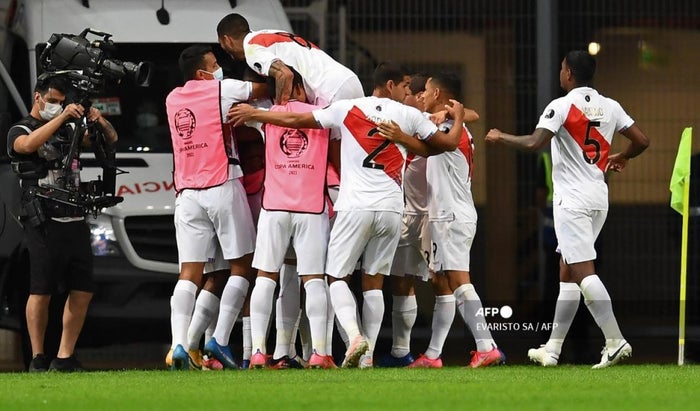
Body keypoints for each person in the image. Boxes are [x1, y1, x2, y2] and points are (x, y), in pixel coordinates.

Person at [228, 61, 467, 368]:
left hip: (352, 206)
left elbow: (296, 118)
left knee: (335, 277)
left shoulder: (347, 109)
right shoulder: (408, 116)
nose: (408, 92)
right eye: (405, 86)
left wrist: (257, 114)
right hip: (391, 208)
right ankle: (366, 358)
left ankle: (351, 338)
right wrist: (457, 116)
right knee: (374, 283)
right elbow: (446, 144)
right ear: (390, 85)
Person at [485, 50, 650, 368]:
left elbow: (534, 143)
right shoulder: (610, 106)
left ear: (569, 74)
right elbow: (642, 140)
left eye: (562, 68)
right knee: (567, 271)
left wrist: (500, 136)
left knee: (583, 271)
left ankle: (614, 340)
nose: (560, 73)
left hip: (571, 202)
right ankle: (553, 349)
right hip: (598, 199)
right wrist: (623, 155)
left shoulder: (560, 106)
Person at [382, 73, 504, 368]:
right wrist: (452, 114)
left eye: (425, 90)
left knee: (460, 282)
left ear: (436, 94)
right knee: (446, 280)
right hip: (450, 213)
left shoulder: (447, 131)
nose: (422, 95)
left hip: (450, 215)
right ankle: (433, 355)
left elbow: (428, 147)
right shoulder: (453, 126)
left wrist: (402, 137)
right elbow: (466, 116)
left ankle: (486, 346)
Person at [6, 75, 118, 372]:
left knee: (83, 288)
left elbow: (110, 140)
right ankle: (38, 356)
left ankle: (65, 355)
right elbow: (27, 145)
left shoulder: (69, 128)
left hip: (75, 217)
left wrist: (98, 120)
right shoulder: (21, 128)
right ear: (37, 97)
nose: (56, 106)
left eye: (61, 102)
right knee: (41, 289)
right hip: (43, 219)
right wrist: (63, 116)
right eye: (52, 101)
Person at [165, 44, 263, 370]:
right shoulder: (221, 89)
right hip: (223, 183)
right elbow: (262, 89)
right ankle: (218, 339)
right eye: (214, 63)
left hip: (186, 194)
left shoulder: (172, 99)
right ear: (202, 73)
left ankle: (180, 344)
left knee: (190, 273)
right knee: (243, 267)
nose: (219, 67)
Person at [243, 69, 336, 369]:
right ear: (298, 86)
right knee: (314, 280)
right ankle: (319, 352)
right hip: (311, 208)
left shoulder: (267, 115)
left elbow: (243, 108)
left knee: (265, 276)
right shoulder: (322, 113)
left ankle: (258, 351)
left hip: (274, 208)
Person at [217, 13, 364, 105]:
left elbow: (284, 74)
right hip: (349, 79)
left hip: (328, 90)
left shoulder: (252, 49)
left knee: (334, 146)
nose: (228, 53)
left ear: (227, 40)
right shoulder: (271, 33)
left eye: (222, 46)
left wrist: (280, 112)